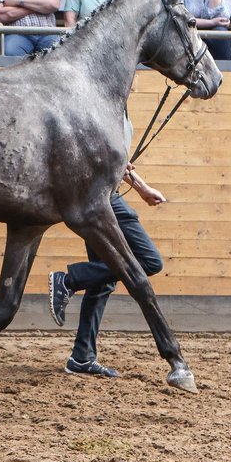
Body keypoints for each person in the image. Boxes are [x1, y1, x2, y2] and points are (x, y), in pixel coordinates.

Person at [48, 114, 166, 379]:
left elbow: (117, 162)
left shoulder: (118, 110)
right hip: (103, 200)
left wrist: (142, 189)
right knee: (150, 261)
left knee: (102, 282)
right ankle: (69, 280)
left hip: (102, 195)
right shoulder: (102, 109)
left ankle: (82, 357)